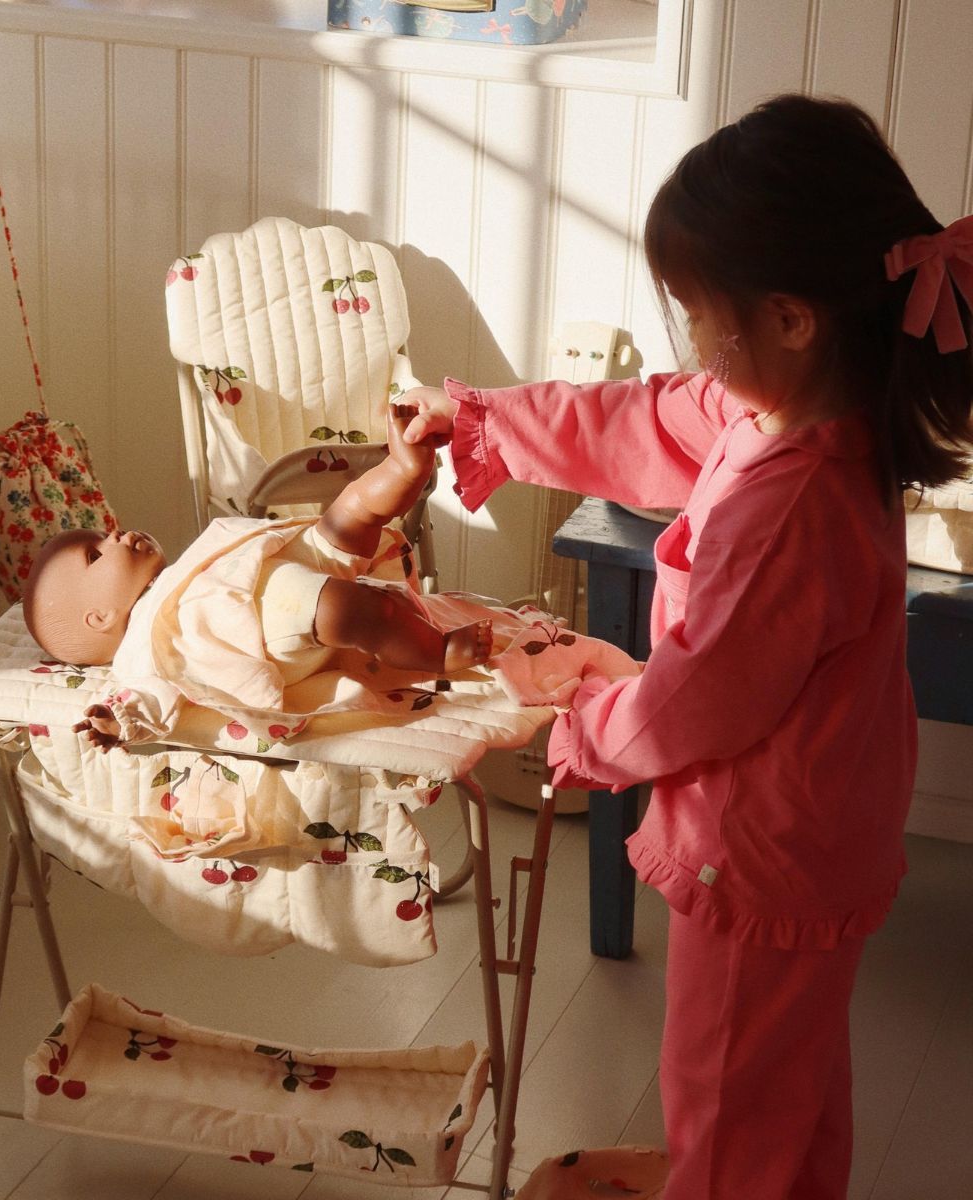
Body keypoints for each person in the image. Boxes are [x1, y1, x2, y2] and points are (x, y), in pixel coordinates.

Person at [401, 93, 973, 1200]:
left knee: (720, 1115)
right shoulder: (799, 417)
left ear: (793, 318)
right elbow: (640, 419)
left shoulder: (791, 503)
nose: (693, 343)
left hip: (761, 855)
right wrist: (487, 420)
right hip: (816, 833)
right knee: (789, 1102)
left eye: (698, 314)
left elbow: (697, 703)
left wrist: (579, 721)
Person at [22, 404, 500, 750]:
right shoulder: (143, 652)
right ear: (100, 617)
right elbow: (144, 700)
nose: (115, 535)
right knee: (359, 609)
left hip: (278, 567)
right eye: (94, 554)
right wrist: (114, 719)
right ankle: (435, 653)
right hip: (273, 624)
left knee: (351, 514)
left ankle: (402, 468)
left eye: (103, 534)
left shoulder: (184, 566)